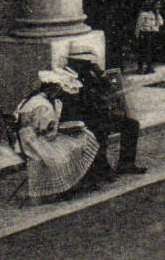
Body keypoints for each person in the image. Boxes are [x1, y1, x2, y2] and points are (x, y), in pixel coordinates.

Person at [13, 70, 100, 203]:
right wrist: (63, 127)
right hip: (36, 142)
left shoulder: (30, 99)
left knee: (73, 142)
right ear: (51, 89)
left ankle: (74, 183)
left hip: (24, 139)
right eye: (58, 90)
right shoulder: (44, 105)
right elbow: (47, 131)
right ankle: (70, 185)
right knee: (80, 142)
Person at [62, 45, 145, 179]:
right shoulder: (68, 77)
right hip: (82, 119)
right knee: (100, 129)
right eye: (85, 62)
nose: (88, 64)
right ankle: (101, 168)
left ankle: (126, 163)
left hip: (98, 114)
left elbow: (106, 89)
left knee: (131, 124)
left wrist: (101, 75)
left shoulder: (91, 73)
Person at [134, 0, 164, 74]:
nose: (158, 7)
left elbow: (161, 23)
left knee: (150, 51)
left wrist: (157, 14)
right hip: (144, 33)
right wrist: (137, 34)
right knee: (143, 51)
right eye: (157, 5)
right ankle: (140, 68)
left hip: (152, 33)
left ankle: (149, 67)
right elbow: (138, 25)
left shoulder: (156, 15)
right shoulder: (144, 14)